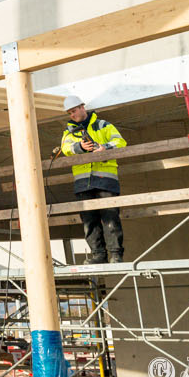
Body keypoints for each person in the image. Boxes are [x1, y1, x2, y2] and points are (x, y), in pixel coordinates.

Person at [60, 94, 127, 263]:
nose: (72, 115)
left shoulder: (103, 125)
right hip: (83, 183)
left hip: (105, 179)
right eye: (69, 113)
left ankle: (116, 254)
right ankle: (98, 255)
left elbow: (120, 142)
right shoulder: (69, 132)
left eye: (74, 111)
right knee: (89, 221)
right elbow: (65, 148)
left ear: (83, 107)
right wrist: (79, 147)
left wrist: (106, 147)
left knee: (110, 217)